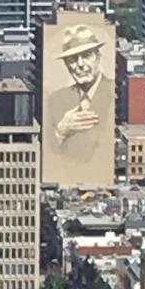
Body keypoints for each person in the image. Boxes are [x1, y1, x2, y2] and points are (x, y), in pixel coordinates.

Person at [45, 24, 114, 178]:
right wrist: (60, 132)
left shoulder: (114, 93)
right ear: (66, 64)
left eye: (87, 55)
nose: (80, 65)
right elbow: (49, 153)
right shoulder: (55, 99)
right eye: (73, 59)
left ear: (98, 57)